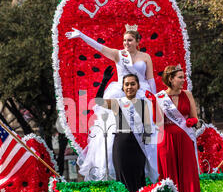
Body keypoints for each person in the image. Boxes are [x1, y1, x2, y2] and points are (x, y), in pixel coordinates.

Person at [65, 25, 157, 180]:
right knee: (111, 129)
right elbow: (99, 47)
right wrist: (81, 35)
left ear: (137, 41)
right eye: (124, 40)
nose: (126, 43)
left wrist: (154, 100)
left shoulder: (146, 57)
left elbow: (150, 79)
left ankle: (146, 167)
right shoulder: (118, 54)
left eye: (130, 40)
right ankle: (111, 169)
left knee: (145, 130)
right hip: (120, 93)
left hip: (141, 93)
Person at [95, 71, 158, 192]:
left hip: (138, 147)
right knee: (123, 179)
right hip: (121, 146)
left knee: (138, 178)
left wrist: (148, 149)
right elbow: (98, 101)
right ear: (123, 87)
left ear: (138, 86)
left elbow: (147, 128)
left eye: (133, 84)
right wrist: (104, 82)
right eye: (127, 84)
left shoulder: (143, 103)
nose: (129, 87)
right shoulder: (116, 103)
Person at [155, 64, 202, 192]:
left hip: (185, 139)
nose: (183, 80)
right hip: (167, 140)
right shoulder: (160, 97)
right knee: (170, 177)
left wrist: (193, 121)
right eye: (180, 77)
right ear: (170, 79)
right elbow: (158, 124)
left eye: (184, 77)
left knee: (188, 176)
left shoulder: (187, 94)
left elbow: (197, 120)